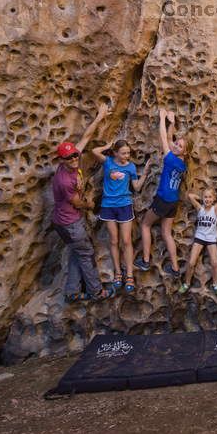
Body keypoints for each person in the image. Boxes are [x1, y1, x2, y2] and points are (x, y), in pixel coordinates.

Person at [51, 103, 115, 302]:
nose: (73, 159)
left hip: (64, 221)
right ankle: (96, 292)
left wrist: (100, 116)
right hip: (70, 223)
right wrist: (90, 205)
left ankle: (72, 292)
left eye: (74, 155)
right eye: (68, 158)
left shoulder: (73, 160)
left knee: (76, 253)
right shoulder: (65, 180)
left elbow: (86, 137)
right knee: (86, 253)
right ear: (61, 160)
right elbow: (77, 203)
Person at [92, 139, 149, 293]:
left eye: (128, 153)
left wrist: (144, 173)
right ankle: (118, 273)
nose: (126, 156)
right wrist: (107, 146)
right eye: (123, 153)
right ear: (115, 153)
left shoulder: (130, 166)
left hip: (124, 205)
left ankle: (129, 274)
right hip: (108, 205)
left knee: (126, 240)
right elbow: (94, 152)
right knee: (114, 240)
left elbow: (136, 187)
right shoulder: (108, 162)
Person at [135, 108, 187, 277]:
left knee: (145, 224)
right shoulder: (181, 162)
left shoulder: (171, 158)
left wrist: (162, 118)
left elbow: (164, 138)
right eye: (177, 144)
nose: (176, 145)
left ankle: (145, 260)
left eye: (180, 146)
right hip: (173, 202)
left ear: (184, 151)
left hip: (163, 199)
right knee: (166, 233)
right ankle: (175, 268)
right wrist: (172, 123)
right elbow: (171, 141)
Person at [179, 188, 217, 295]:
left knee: (215, 263)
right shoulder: (199, 208)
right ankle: (186, 283)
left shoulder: (215, 209)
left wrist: (216, 194)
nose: (207, 199)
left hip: (211, 239)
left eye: (210, 197)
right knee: (191, 262)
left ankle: (215, 284)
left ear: (214, 199)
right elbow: (191, 196)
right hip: (199, 238)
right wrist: (200, 198)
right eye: (205, 197)